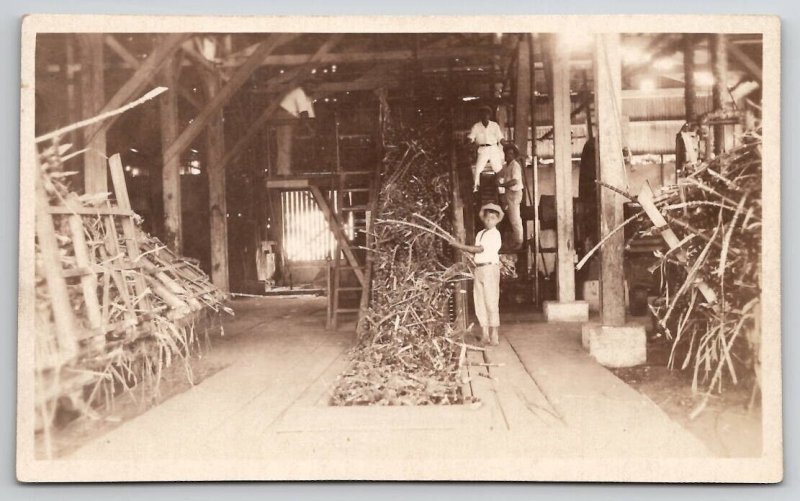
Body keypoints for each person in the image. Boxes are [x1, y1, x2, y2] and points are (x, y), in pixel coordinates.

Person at [449, 203, 504, 346]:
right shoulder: (480, 233)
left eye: (492, 218)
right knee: (479, 302)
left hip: (490, 269)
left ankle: (494, 334)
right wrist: (465, 252)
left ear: (497, 220)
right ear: (483, 219)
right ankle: (485, 334)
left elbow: (479, 250)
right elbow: (476, 253)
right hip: (479, 269)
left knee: (491, 301)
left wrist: (459, 246)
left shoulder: (495, 234)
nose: (489, 220)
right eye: (487, 218)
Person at [273, 85, 315, 176]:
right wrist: (308, 128)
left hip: (286, 116)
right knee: (285, 145)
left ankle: (282, 170)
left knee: (283, 145)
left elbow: (310, 116)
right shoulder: (300, 92)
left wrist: (309, 127)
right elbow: (304, 113)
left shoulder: (307, 98)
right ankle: (284, 171)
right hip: (285, 116)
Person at [467, 105, 506, 192]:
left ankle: (501, 189)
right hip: (482, 149)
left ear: (489, 115)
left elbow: (500, 138)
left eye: (486, 114)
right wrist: (468, 141)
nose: (485, 116)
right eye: (482, 114)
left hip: (493, 148)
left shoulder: (494, 125)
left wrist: (506, 144)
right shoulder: (476, 126)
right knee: (478, 169)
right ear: (480, 115)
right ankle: (476, 188)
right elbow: (471, 137)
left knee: (498, 169)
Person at [499, 143, 524, 249]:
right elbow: (499, 174)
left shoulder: (515, 166)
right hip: (508, 193)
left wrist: (501, 185)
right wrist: (496, 179)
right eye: (506, 153)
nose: (508, 156)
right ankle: (509, 239)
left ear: (513, 155)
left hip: (514, 193)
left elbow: (514, 182)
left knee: (515, 218)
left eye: (510, 154)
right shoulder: (506, 166)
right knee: (507, 216)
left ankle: (519, 241)